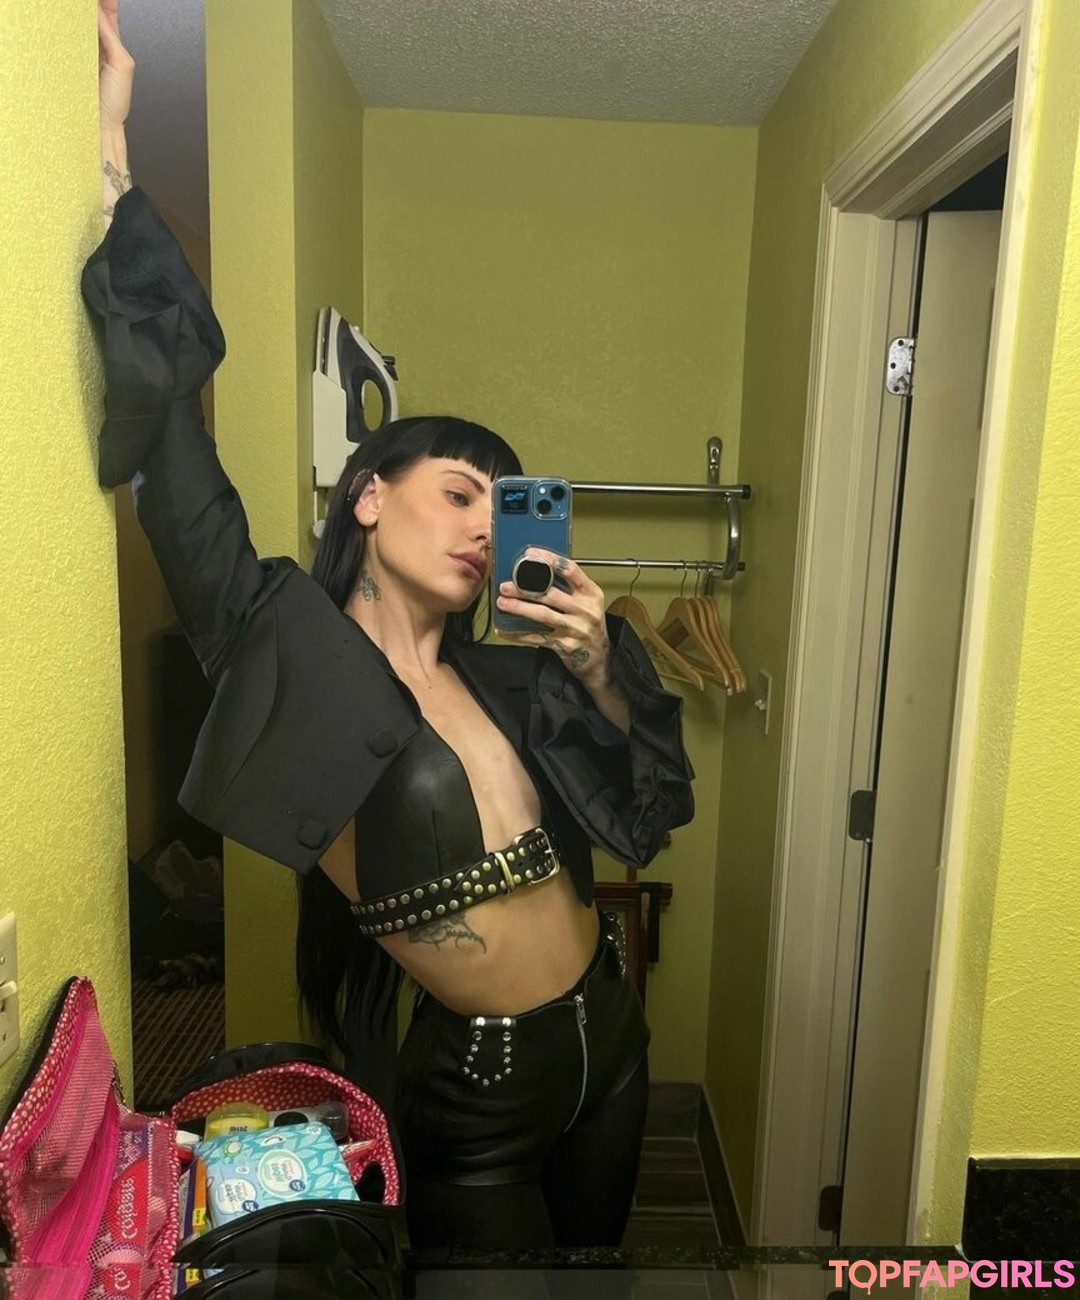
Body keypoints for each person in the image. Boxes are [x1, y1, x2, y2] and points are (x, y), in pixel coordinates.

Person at [90, 0, 694, 1252]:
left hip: (614, 1035)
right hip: (479, 1083)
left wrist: (599, 668)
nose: (481, 527)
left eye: (497, 505)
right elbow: (176, 463)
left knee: (599, 1276)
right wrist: (110, 174)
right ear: (368, 496)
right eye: (458, 492)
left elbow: (649, 812)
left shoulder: (508, 679)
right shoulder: (289, 648)